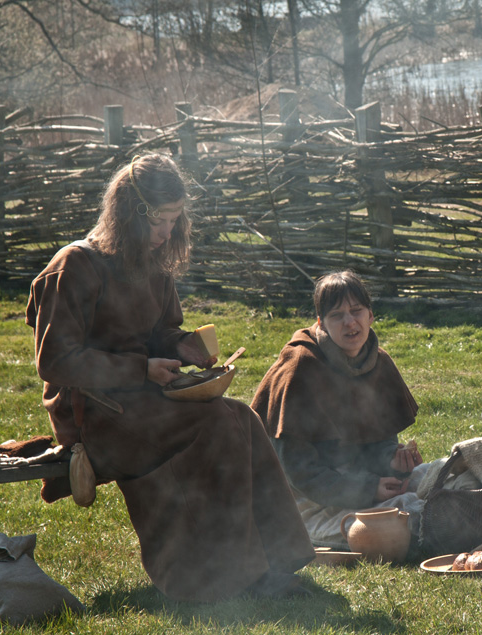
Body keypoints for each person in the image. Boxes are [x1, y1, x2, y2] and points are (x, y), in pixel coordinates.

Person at [25, 153, 314, 602]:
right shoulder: (75, 266)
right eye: (160, 221)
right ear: (131, 214)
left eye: (175, 221)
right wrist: (140, 369)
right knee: (215, 425)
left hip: (144, 400)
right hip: (94, 416)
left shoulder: (152, 265)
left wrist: (182, 346)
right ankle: (220, 579)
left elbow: (160, 332)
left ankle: (275, 560)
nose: (167, 234)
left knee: (240, 418)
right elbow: (57, 361)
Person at [250, 270, 424, 551]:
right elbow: (299, 472)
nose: (349, 322)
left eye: (356, 311)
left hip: (351, 480)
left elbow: (374, 443)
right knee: (412, 514)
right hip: (297, 500)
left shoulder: (376, 362)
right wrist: (368, 489)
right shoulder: (301, 369)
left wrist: (391, 460)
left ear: (370, 316)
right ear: (321, 323)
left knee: (441, 477)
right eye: (336, 315)